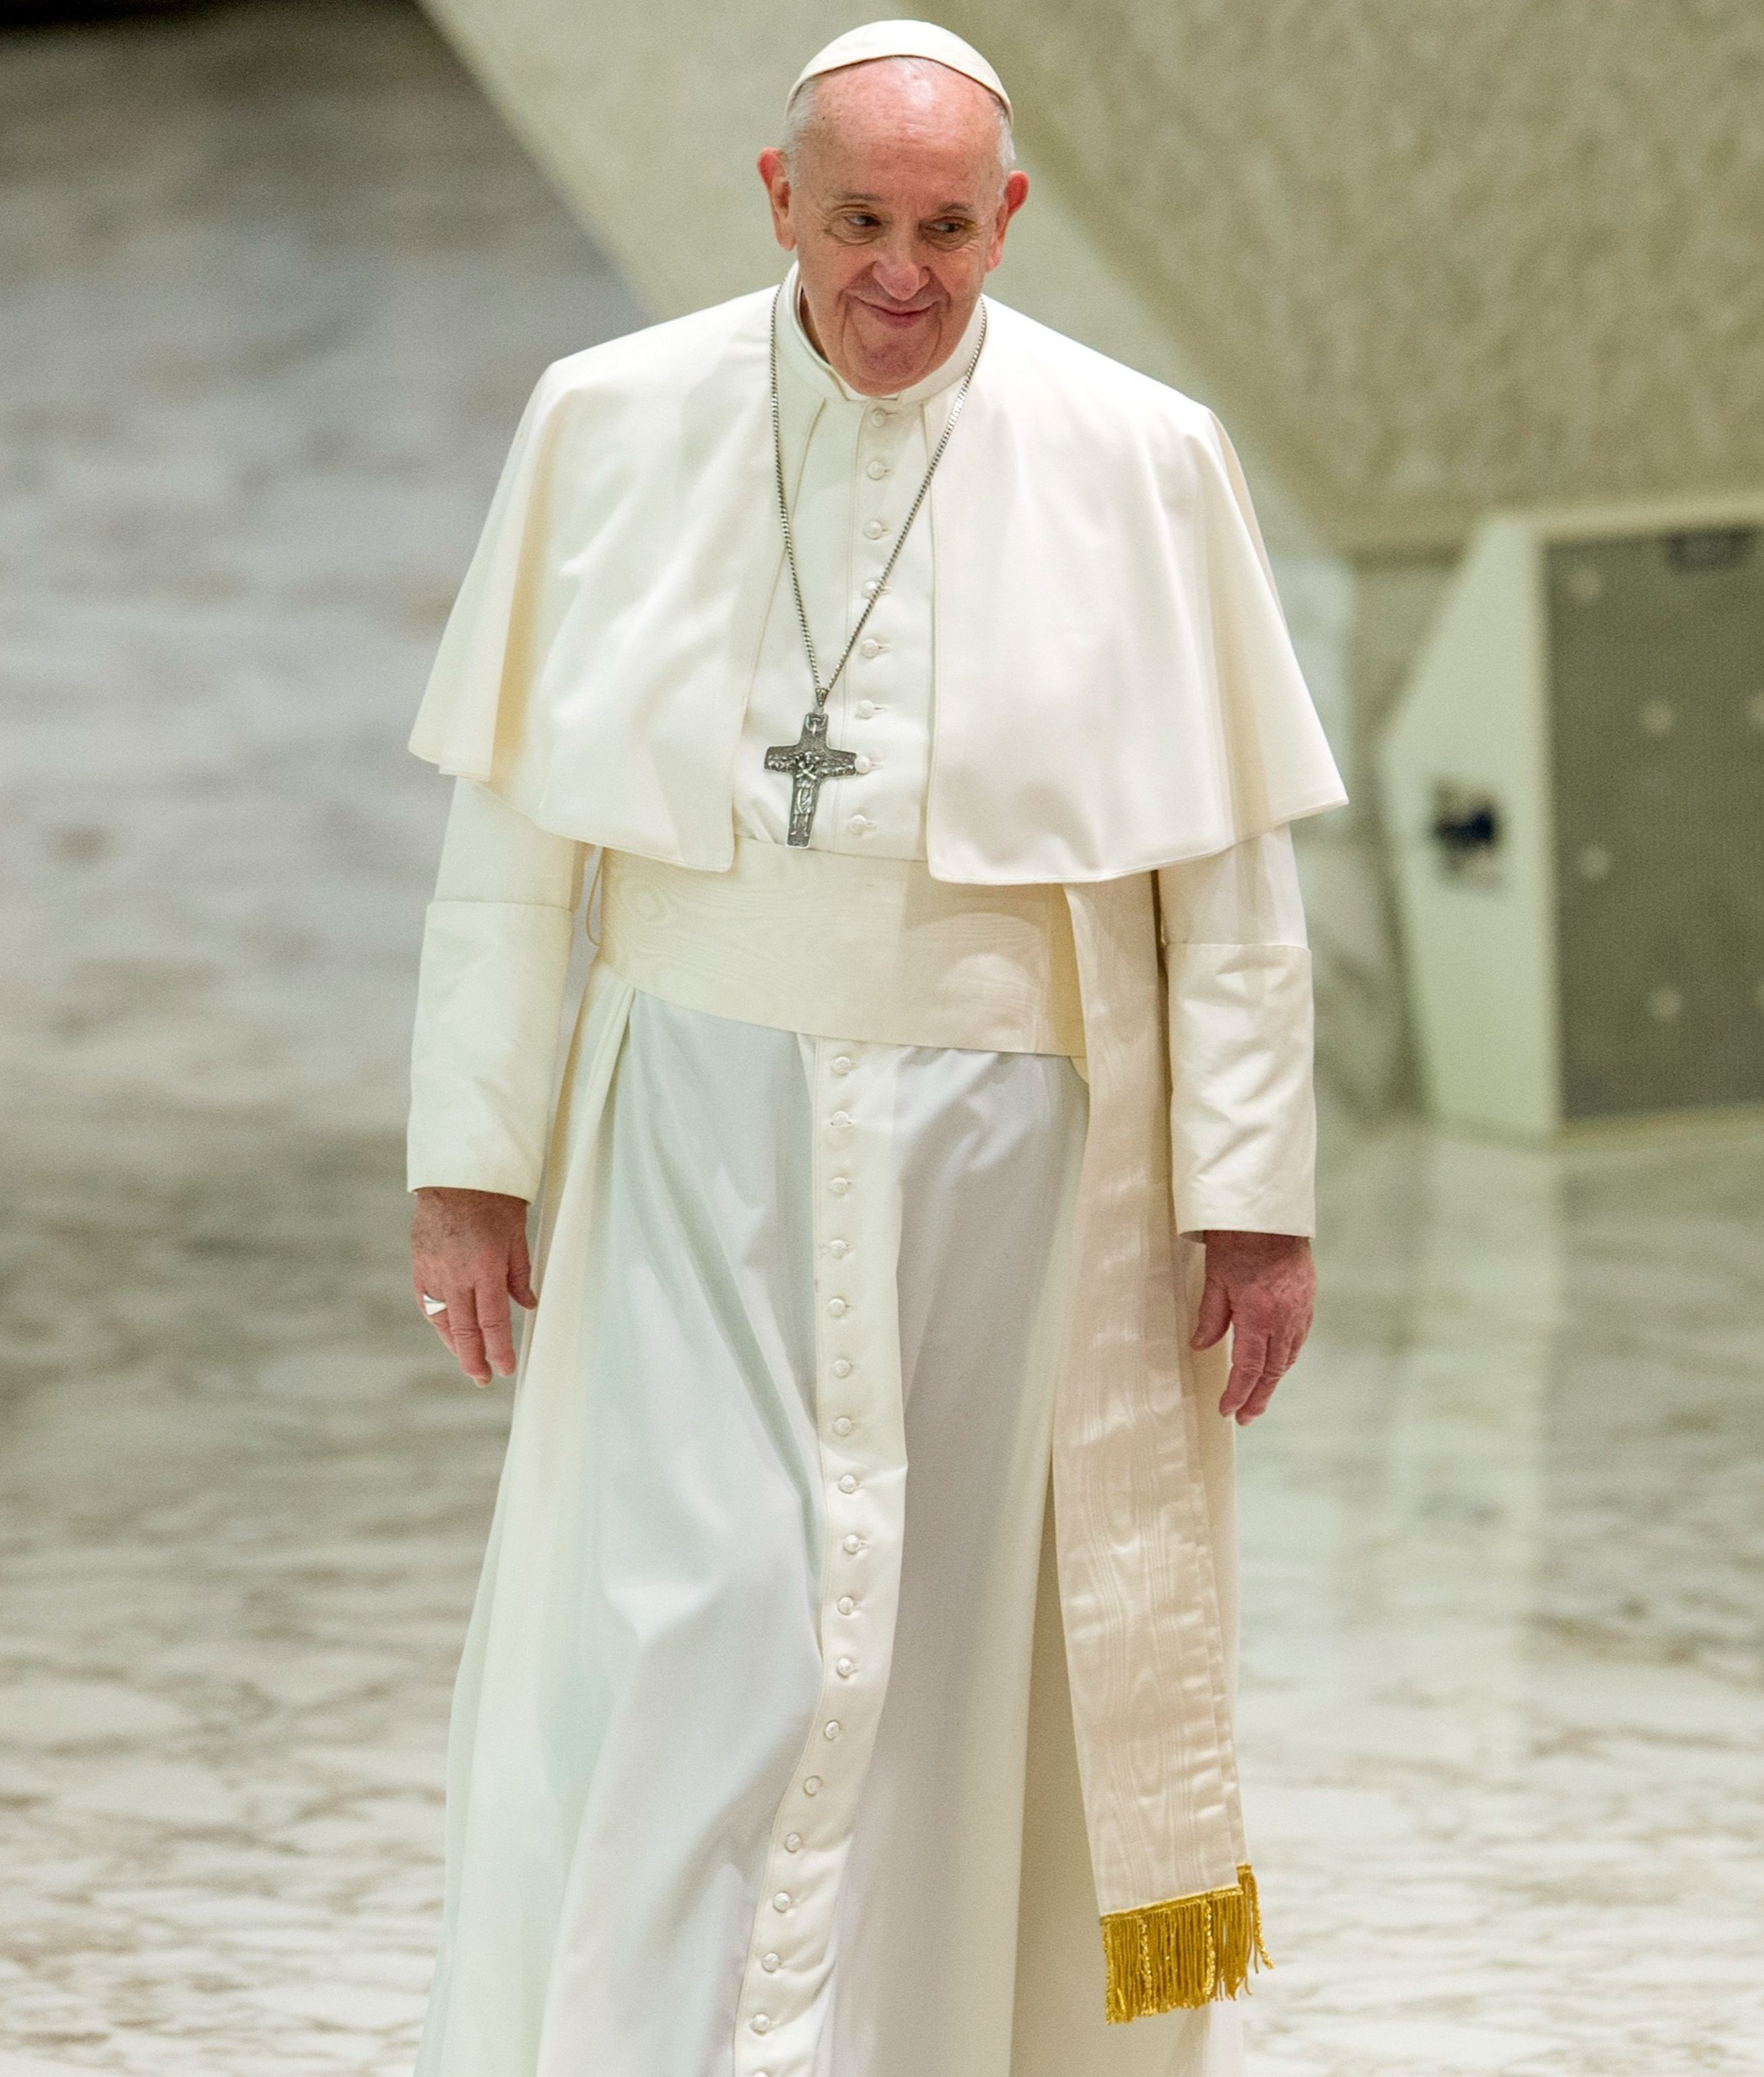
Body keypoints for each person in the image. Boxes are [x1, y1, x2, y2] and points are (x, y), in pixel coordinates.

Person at [403, 21, 1345, 2077]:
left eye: (943, 228)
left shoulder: (1142, 454)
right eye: (856, 221)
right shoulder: (608, 417)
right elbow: (511, 838)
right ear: (775, 197)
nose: (897, 275)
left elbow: (1231, 888)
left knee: (948, 1659)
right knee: (701, 1620)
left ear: (1005, 219)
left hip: (1014, 1163)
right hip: (694, 1133)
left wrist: (1252, 1205)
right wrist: (468, 1162)